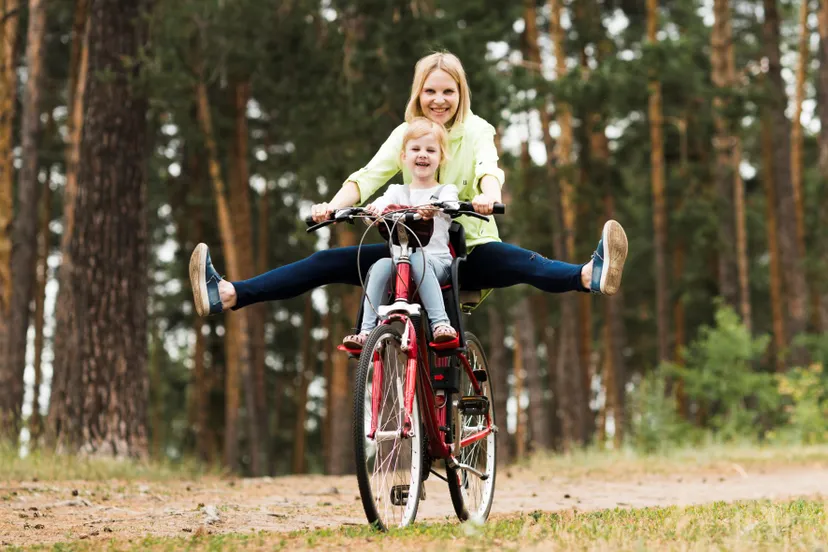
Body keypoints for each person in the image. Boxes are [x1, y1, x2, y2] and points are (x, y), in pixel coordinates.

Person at [189, 51, 627, 321]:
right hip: (409, 248)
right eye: (431, 91)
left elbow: (489, 168)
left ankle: (589, 275)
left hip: (466, 248)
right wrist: (331, 206)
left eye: (448, 92)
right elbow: (367, 177)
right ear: (419, 93)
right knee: (324, 263)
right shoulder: (406, 135)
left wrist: (488, 196)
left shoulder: (477, 130)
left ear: (461, 94)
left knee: (520, 262)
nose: (439, 100)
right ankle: (227, 294)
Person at [342, 117, 460, 349]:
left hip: (437, 264)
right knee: (380, 266)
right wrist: (372, 212)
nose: (422, 154)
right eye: (415, 149)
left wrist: (436, 208)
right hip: (400, 266)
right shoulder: (396, 191)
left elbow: (452, 205)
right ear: (404, 157)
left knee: (418, 258)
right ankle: (366, 332)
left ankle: (440, 324)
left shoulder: (445, 190)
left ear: (441, 157)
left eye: (430, 150)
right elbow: (380, 206)